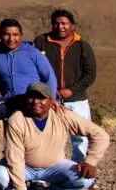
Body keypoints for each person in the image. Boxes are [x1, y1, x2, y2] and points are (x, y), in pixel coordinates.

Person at [0, 82, 109, 190]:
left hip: (54, 166)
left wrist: (90, 161)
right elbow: (15, 158)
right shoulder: (17, 120)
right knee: (1, 177)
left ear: (51, 101)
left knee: (85, 180)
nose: (36, 102)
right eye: (32, 97)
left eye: (42, 98)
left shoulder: (63, 115)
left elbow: (101, 135)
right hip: (25, 166)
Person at [33, 9, 97, 163]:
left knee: (80, 138)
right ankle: (45, 173)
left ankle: (79, 173)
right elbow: (32, 67)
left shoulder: (82, 46)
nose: (60, 26)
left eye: (64, 23)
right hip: (48, 99)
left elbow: (90, 73)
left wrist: (71, 90)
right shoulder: (41, 41)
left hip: (76, 100)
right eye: (56, 23)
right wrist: (45, 91)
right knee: (47, 136)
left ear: (72, 25)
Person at [0, 19, 57, 100]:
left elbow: (49, 77)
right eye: (6, 34)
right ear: (0, 35)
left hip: (32, 104)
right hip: (8, 103)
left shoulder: (33, 53)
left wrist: (51, 100)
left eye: (15, 35)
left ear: (21, 35)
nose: (11, 39)